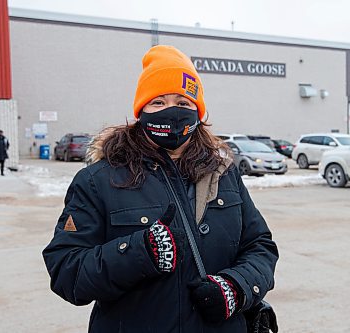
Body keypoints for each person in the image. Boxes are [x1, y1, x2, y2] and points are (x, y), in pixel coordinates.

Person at [43, 45, 278, 332]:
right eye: (158, 102)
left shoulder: (224, 172)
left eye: (183, 102)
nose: (172, 112)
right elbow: (67, 271)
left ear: (198, 111)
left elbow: (260, 246)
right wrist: (139, 252)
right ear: (141, 110)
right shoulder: (98, 179)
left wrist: (237, 287)